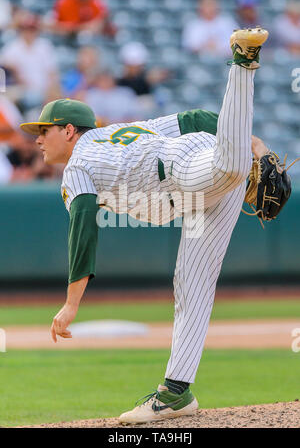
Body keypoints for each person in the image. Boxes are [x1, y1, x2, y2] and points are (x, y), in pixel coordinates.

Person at [20, 27, 269, 424]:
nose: (37, 140)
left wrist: (70, 304)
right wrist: (258, 144)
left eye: (43, 131)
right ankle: (175, 393)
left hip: (181, 169)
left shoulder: (78, 166)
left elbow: (83, 225)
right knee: (192, 284)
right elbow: (197, 118)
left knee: (228, 168)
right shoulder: (119, 132)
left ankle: (243, 63)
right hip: (193, 195)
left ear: (68, 131)